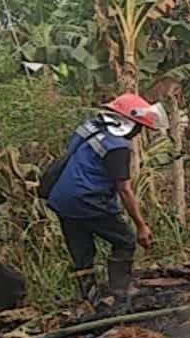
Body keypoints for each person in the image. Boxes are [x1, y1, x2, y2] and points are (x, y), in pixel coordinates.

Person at [46, 93, 167, 301]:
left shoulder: (90, 127)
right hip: (88, 199)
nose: (138, 134)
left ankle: (89, 298)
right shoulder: (117, 147)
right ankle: (121, 289)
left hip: (62, 198)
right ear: (128, 123)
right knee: (125, 240)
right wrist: (141, 225)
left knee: (81, 251)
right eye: (138, 128)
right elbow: (124, 189)